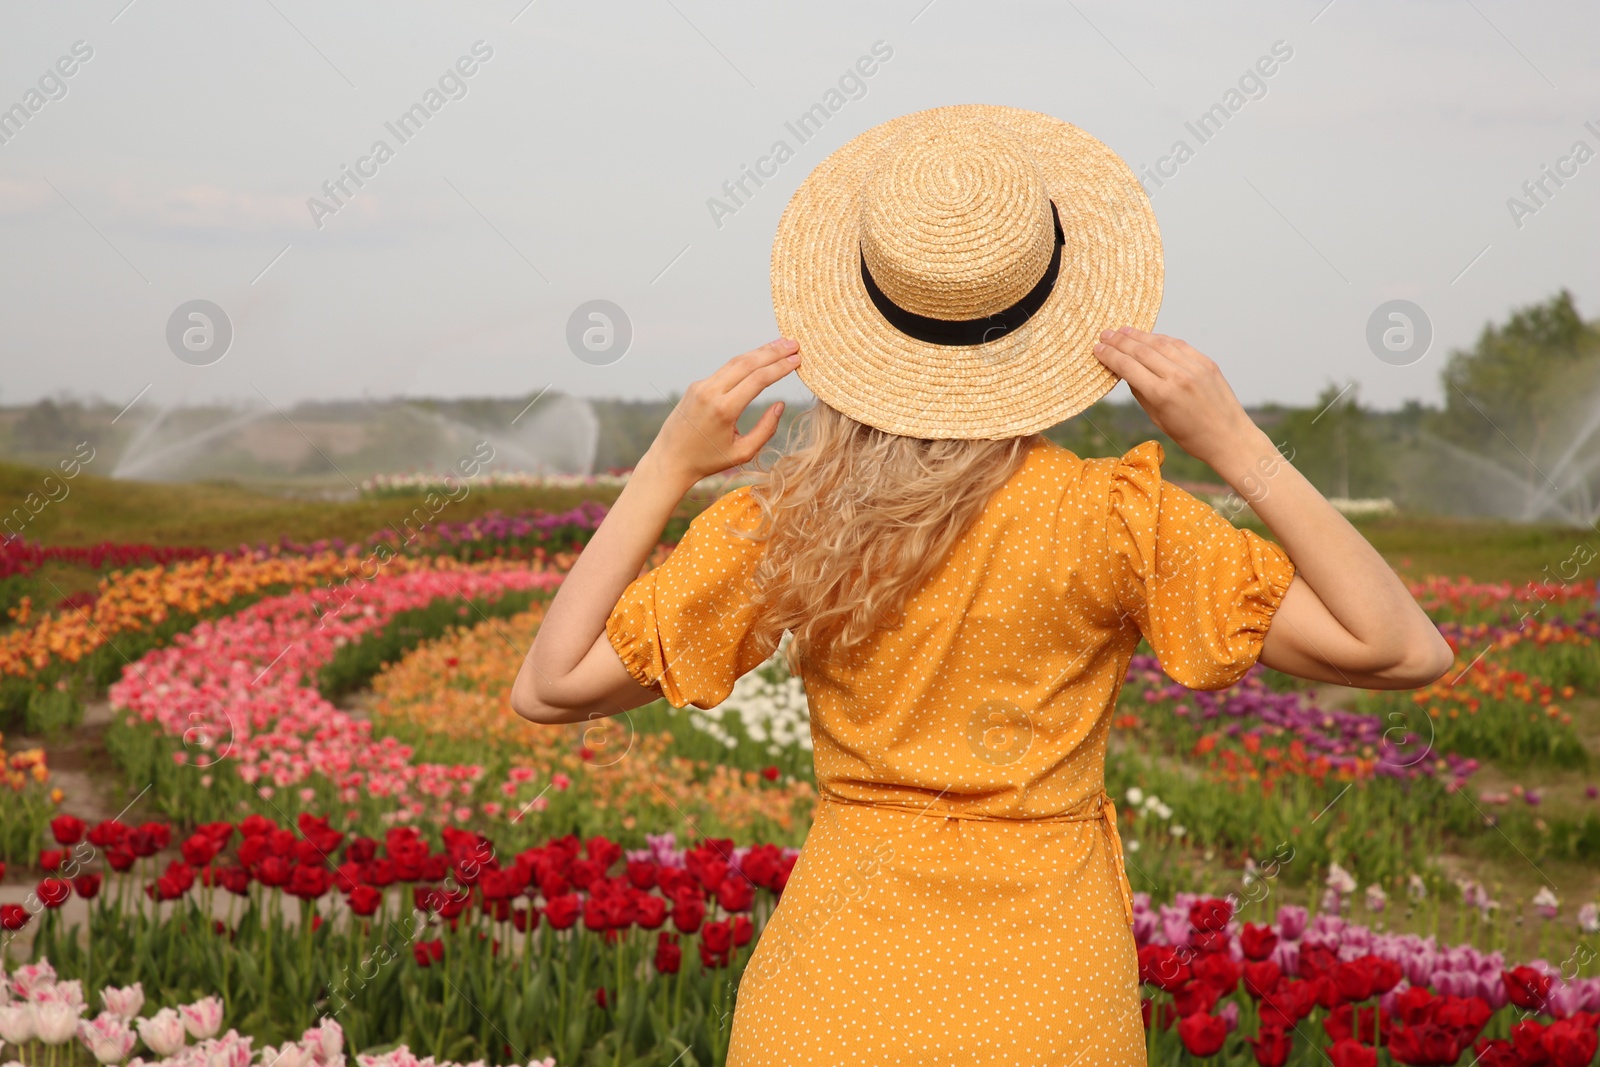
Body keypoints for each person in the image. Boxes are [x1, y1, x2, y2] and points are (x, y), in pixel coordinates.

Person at [511, 105, 1451, 1066]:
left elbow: (549, 686)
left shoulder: (790, 524)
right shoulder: (1112, 518)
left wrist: (668, 463)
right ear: (1051, 312)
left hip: (826, 1009)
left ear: (859, 310)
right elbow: (1401, 647)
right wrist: (1236, 443)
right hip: (1044, 1015)